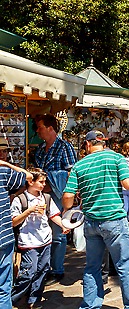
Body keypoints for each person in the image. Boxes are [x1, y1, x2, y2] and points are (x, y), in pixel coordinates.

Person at [62, 130, 129, 309]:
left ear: (88, 144)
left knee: (92, 267)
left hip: (91, 222)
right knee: (125, 265)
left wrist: (70, 209)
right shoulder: (116, 158)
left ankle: (90, 305)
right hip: (114, 221)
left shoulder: (79, 166)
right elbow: (127, 184)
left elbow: (67, 198)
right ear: (104, 143)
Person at [11, 168, 69, 308]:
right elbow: (13, 221)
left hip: (45, 239)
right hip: (28, 241)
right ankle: (13, 298)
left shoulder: (46, 198)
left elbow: (53, 214)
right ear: (30, 182)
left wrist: (63, 226)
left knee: (42, 271)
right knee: (28, 272)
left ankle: (34, 300)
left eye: (44, 182)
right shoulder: (21, 199)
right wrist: (29, 211)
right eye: (41, 182)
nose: (44, 185)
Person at [34, 114, 77, 285]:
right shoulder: (40, 148)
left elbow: (72, 173)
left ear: (50, 128)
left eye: (40, 127)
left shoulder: (64, 147)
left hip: (57, 195)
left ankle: (57, 269)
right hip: (40, 195)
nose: (37, 131)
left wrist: (53, 182)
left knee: (58, 233)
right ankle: (43, 268)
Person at [0, 160, 31, 309]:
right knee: (3, 287)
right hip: (3, 237)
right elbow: (28, 176)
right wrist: (6, 164)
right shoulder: (3, 173)